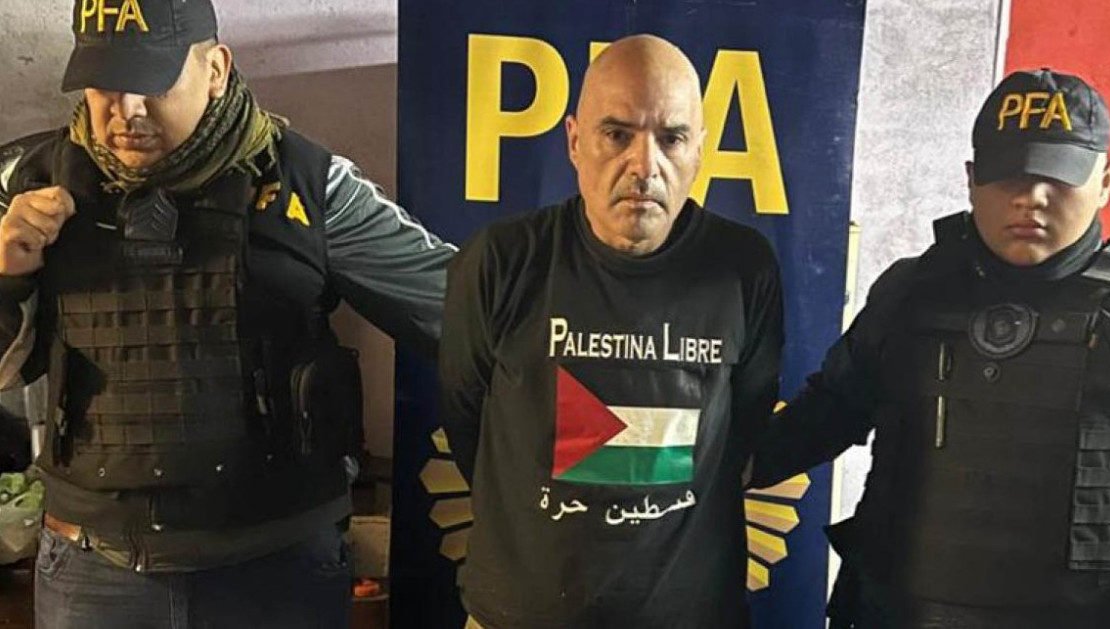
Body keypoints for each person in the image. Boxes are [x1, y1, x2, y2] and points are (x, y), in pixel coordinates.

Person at [0, 0, 455, 626]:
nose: (126, 111)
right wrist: (6, 275)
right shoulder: (30, 183)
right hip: (95, 570)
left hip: (273, 569)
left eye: (152, 82)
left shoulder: (308, 184)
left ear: (215, 69)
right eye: (104, 86)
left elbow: (457, 307)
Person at [752, 68, 1110, 628]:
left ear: (1107, 179)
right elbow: (826, 415)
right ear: (971, 179)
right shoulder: (910, 296)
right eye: (1007, 175)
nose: (1031, 198)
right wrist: (707, 470)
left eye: (1057, 175)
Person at [439, 34, 785, 629]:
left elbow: (744, 431)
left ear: (700, 150)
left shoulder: (743, 268)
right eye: (618, 134)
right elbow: (466, 421)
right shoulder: (500, 260)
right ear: (575, 141)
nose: (645, 165)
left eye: (671, 138)